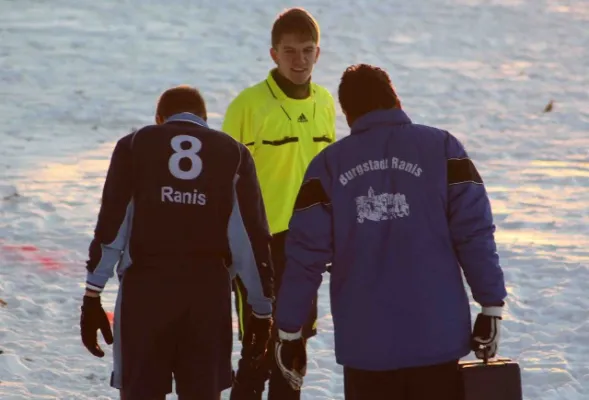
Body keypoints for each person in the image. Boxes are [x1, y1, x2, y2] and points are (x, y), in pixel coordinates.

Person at [273, 64, 508, 399]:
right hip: (437, 338)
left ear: (347, 113)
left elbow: (304, 257)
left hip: (366, 347)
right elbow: (474, 232)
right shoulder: (443, 148)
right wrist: (490, 305)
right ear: (395, 99)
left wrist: (290, 330)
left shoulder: (327, 166)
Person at [79, 85, 275, 400]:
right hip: (207, 296)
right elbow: (249, 240)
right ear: (205, 119)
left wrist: (93, 292)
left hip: (145, 293)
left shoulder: (134, 145)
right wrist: (262, 310)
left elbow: (112, 227)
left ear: (160, 118)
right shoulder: (235, 153)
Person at [221, 7, 336, 400]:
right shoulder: (247, 106)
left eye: (307, 51)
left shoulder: (325, 103)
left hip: (307, 242)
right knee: (258, 350)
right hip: (258, 244)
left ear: (318, 53)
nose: (299, 60)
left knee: (295, 348)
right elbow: (223, 181)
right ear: (273, 54)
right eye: (289, 51)